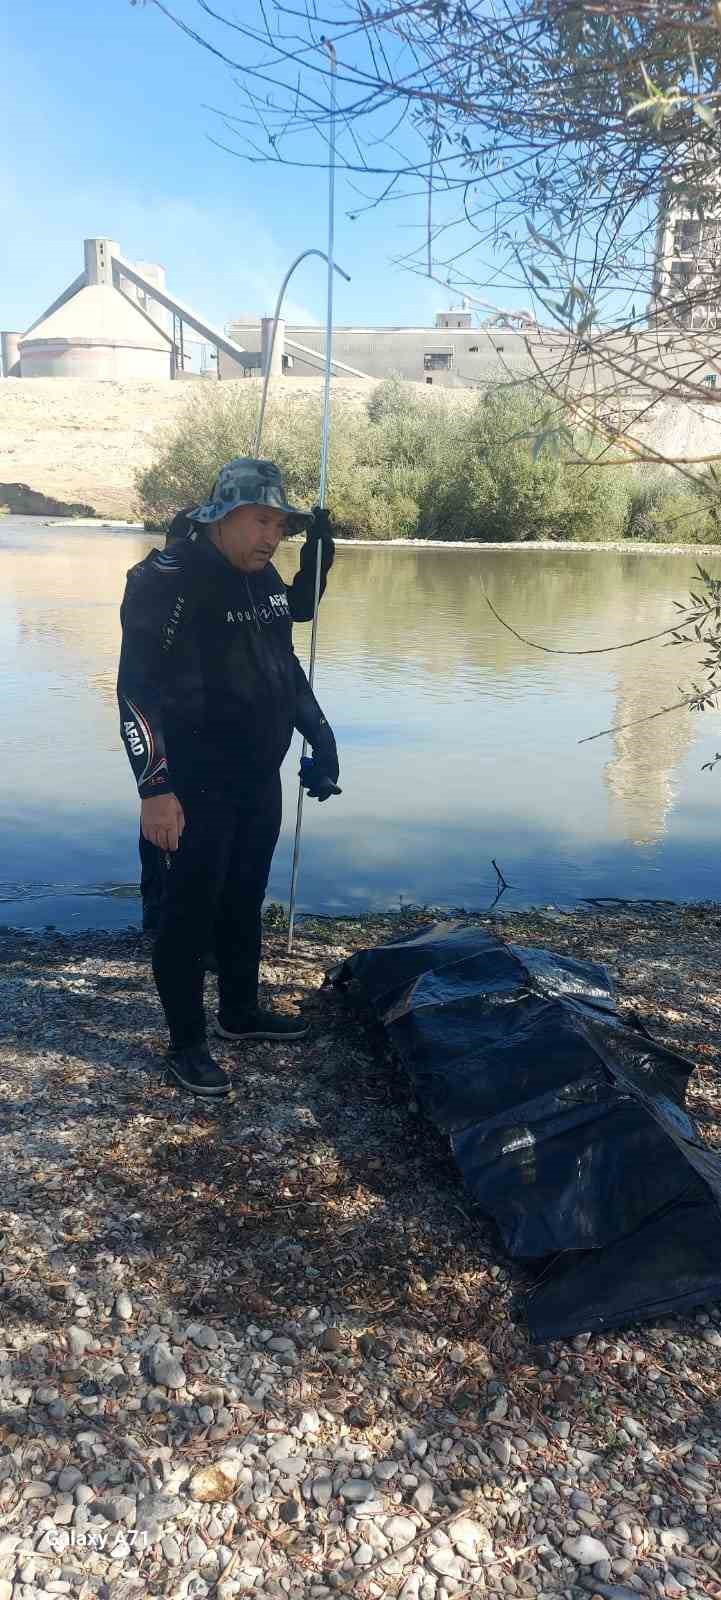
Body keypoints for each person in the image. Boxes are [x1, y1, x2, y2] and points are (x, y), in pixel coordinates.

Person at [118, 457, 339, 1099]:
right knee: (188, 914)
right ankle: (186, 1046)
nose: (272, 534)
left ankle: (240, 1012)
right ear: (223, 516)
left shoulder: (262, 571)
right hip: (191, 782)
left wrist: (320, 736)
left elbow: (282, 661)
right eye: (260, 519)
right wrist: (154, 789)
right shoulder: (169, 578)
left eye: (280, 524)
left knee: (246, 896)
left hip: (256, 775)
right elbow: (135, 692)